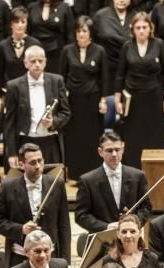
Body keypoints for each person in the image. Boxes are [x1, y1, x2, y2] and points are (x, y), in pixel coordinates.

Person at [0, 142, 71, 267]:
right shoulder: (8, 187)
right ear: (22, 164)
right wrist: (20, 229)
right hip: (19, 257)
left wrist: (66, 261)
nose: (38, 166)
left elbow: (64, 225)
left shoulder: (57, 184)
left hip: (50, 256)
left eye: (40, 161)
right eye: (33, 162)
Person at [113, 12, 164, 168]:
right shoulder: (127, 46)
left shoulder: (159, 44)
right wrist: (118, 100)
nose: (141, 30)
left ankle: (159, 167)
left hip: (154, 97)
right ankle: (134, 168)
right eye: (138, 27)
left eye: (144, 27)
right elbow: (120, 74)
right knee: (134, 136)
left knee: (155, 135)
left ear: (150, 28)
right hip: (133, 100)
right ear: (133, 29)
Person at [2, 45, 72, 167]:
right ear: (25, 63)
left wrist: (53, 122)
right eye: (33, 61)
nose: (37, 64)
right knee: (26, 184)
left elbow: (66, 112)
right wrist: (12, 153)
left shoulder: (57, 81)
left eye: (40, 61)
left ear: (45, 62)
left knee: (52, 182)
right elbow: (9, 123)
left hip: (51, 143)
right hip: (25, 143)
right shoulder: (14, 86)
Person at [58, 16, 108, 180]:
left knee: (92, 137)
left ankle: (93, 172)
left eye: (84, 31)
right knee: (74, 138)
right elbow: (62, 77)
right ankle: (75, 173)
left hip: (93, 101)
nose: (81, 34)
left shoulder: (100, 50)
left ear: (91, 33)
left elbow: (105, 77)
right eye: (78, 31)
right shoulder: (67, 50)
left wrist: (103, 99)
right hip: (73, 101)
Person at [75, 130, 153, 233]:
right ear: (100, 152)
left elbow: (146, 208)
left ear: (123, 149)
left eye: (117, 149)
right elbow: (81, 215)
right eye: (109, 150)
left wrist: (132, 224)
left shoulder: (138, 176)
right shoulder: (87, 180)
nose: (114, 154)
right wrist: (106, 226)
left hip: (131, 238)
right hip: (102, 241)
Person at [0, 9, 46, 113]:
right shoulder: (3, 45)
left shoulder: (35, 43)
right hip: (9, 94)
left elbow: (41, 70)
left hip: (31, 92)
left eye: (23, 22)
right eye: (16, 22)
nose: (20, 25)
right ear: (11, 24)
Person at [27, 0, 74, 75]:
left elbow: (70, 35)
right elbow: (28, 32)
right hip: (35, 51)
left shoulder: (65, 7)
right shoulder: (32, 7)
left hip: (57, 52)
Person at [93, 0, 133, 75]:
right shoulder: (101, 16)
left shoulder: (136, 17)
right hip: (106, 67)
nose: (121, 0)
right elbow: (94, 42)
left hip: (130, 68)